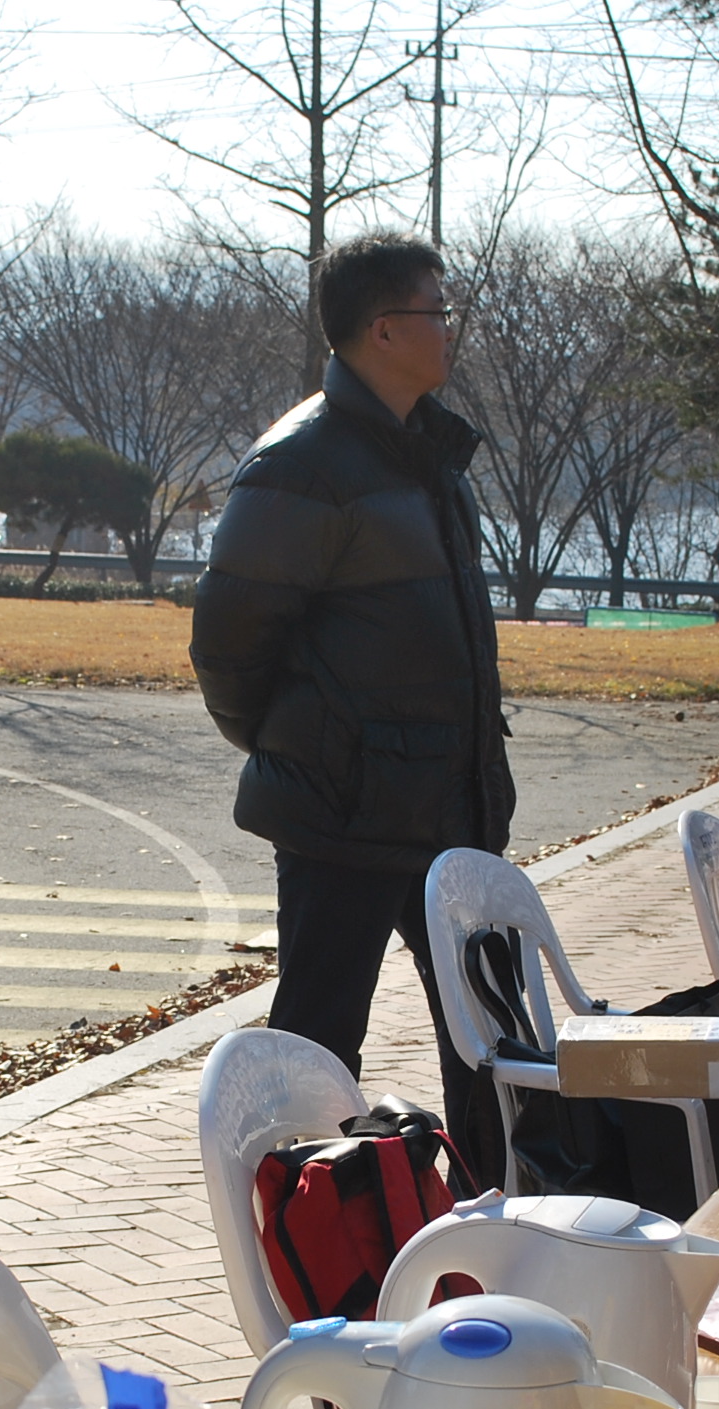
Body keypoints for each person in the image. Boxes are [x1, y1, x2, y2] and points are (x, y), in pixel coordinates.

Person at [188, 234, 514, 1165]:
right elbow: (228, 644)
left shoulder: (430, 456)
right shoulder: (302, 464)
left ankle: (496, 1206)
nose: (449, 330)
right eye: (436, 312)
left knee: (495, 1038)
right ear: (383, 330)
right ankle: (301, 1221)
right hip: (342, 814)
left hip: (447, 807)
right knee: (318, 1045)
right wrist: (303, 747)